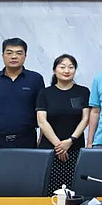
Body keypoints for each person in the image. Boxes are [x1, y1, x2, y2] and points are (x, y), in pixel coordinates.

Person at [0, 38, 45, 156]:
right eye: (9, 53)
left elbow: (42, 111)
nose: (14, 56)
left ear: (25, 56)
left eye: (19, 53)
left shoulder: (35, 79)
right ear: (3, 56)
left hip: (27, 140)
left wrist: (41, 140)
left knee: (26, 169)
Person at [36, 54, 90, 195]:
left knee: (74, 190)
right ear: (54, 70)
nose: (67, 70)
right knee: (49, 189)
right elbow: (42, 121)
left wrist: (70, 140)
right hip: (50, 149)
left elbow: (85, 119)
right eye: (62, 67)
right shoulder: (45, 93)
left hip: (75, 148)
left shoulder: (83, 92)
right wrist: (59, 146)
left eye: (71, 67)